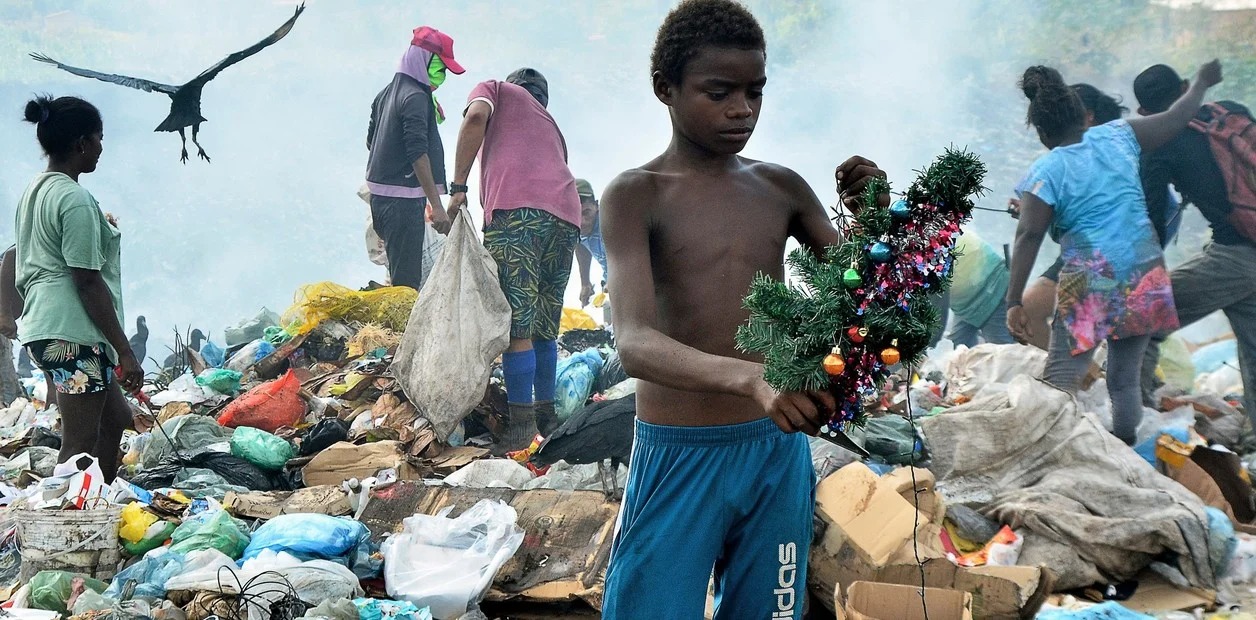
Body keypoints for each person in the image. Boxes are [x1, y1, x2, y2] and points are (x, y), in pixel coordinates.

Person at [597, 1, 886, 616]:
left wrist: (874, 225)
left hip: (775, 450)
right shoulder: (636, 194)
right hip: (680, 452)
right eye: (719, 91)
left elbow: (858, 294)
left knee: (768, 609)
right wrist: (751, 378)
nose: (742, 109)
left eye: (755, 91)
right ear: (665, 89)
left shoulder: (780, 188)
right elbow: (634, 341)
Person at [1006, 61, 1223, 445]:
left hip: (1092, 279)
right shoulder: (1119, 135)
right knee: (1123, 381)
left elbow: (1028, 235)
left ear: (1041, 132)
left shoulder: (1046, 169)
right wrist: (1201, 83)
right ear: (1081, 115)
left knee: (1061, 381)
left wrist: (1013, 301)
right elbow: (1176, 117)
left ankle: (1049, 451)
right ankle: (1123, 448)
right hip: (1145, 272)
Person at [447, 67, 582, 445]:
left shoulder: (497, 90)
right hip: (566, 218)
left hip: (519, 213)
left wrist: (458, 187)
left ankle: (522, 429)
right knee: (543, 323)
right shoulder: (552, 128)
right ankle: (547, 417)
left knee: (516, 322)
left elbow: (475, 116)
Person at [16, 95, 144, 481]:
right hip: (72, 334)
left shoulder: (37, 191)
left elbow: (20, 254)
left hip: (48, 326)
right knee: (78, 442)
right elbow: (86, 281)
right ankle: (58, 527)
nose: (102, 148)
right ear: (82, 143)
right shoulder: (74, 198)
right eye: (99, 138)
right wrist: (125, 350)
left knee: (117, 418)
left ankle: (97, 501)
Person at [1135, 63, 1256, 421]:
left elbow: (1152, 222)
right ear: (1186, 86)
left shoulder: (1158, 146)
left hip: (1234, 254)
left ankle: (1132, 423)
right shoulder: (1231, 111)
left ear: (1144, 113)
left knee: (1142, 321)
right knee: (1252, 348)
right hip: (1248, 247)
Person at [1017, 83, 1139, 350]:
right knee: (1033, 307)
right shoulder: (1083, 150)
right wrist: (1034, 212)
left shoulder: (1105, 148)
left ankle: (1074, 377)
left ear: (1087, 116)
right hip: (1084, 251)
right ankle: (1082, 377)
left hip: (1103, 252)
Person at [365, 26, 464, 290]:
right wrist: (437, 206)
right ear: (423, 60)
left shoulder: (386, 93)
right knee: (406, 286)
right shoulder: (416, 97)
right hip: (402, 205)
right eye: (440, 67)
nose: (442, 76)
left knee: (400, 274)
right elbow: (417, 152)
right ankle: (401, 331)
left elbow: (371, 142)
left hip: (382, 200)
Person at [931, 229, 1015, 348]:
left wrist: (929, 346)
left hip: (992, 291)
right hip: (965, 304)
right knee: (955, 351)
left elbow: (937, 308)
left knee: (1000, 354)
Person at [573, 178, 609, 314]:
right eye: (575, 214)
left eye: (586, 212)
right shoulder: (574, 226)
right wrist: (585, 283)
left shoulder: (609, 221)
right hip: (610, 283)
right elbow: (580, 244)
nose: (581, 222)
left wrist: (616, 281)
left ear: (596, 206)